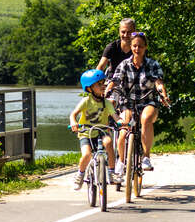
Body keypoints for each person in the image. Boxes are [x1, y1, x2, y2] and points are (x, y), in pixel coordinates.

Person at [110, 32, 170, 173]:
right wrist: (108, 93)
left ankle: (146, 157)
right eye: (135, 46)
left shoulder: (153, 64)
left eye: (140, 46)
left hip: (148, 101)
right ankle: (121, 161)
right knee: (124, 130)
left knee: (146, 119)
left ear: (145, 47)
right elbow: (115, 81)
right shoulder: (124, 65)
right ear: (131, 47)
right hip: (127, 102)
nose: (137, 49)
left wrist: (163, 95)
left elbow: (158, 83)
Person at [69, 69, 121, 190]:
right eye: (99, 84)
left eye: (103, 83)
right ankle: (80, 174)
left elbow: (115, 115)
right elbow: (73, 114)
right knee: (87, 155)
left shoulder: (106, 102)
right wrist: (74, 122)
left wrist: (120, 121)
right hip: (86, 133)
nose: (103, 86)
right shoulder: (86, 101)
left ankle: (112, 172)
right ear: (89, 88)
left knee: (108, 143)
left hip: (102, 131)